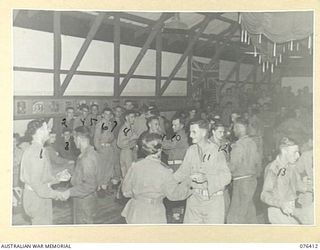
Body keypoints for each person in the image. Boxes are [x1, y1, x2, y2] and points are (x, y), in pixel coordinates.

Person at [121, 133, 190, 224]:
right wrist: (190, 184)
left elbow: (125, 192)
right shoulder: (165, 170)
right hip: (154, 213)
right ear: (160, 150)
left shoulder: (136, 165)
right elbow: (174, 195)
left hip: (135, 212)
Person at [174, 119, 231, 224]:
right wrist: (166, 181)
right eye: (190, 132)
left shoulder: (216, 151)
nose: (190, 135)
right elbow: (182, 172)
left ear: (204, 132)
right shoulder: (191, 150)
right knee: (191, 236)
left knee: (212, 237)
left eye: (194, 132)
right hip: (194, 199)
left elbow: (227, 176)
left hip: (213, 201)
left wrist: (207, 178)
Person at [20, 119, 69, 225]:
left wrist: (57, 178)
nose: (49, 131)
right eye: (47, 128)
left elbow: (40, 179)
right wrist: (58, 194)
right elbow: (37, 185)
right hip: (38, 199)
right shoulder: (37, 152)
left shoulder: (36, 149)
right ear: (39, 131)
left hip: (38, 196)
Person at [261, 137, 309, 224]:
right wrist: (281, 204)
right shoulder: (273, 168)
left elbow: (298, 185)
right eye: (295, 152)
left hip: (291, 208)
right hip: (278, 210)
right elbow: (264, 195)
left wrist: (311, 187)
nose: (298, 156)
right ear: (284, 151)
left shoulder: (291, 166)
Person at [61, 126, 101, 224]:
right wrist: (72, 175)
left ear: (78, 138)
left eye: (74, 138)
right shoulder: (92, 153)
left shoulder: (87, 158)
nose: (74, 141)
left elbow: (89, 185)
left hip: (84, 200)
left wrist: (69, 192)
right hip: (85, 197)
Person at [227, 118, 261, 224]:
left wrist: (223, 163)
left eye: (234, 128)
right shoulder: (252, 143)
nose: (233, 130)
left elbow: (232, 166)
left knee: (236, 214)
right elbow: (257, 161)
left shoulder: (239, 145)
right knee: (249, 211)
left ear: (239, 128)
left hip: (241, 182)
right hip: (251, 180)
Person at [162, 115, 189, 223]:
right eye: (172, 124)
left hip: (178, 166)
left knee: (176, 189)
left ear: (181, 125)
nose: (173, 127)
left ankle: (177, 213)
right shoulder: (176, 135)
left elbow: (171, 145)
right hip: (173, 165)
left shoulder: (180, 135)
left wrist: (159, 142)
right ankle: (177, 212)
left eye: (175, 125)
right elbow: (170, 150)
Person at [94, 108, 116, 191]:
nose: (107, 116)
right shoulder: (101, 124)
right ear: (102, 114)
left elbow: (111, 136)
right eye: (106, 114)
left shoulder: (109, 123)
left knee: (109, 168)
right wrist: (99, 150)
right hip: (103, 149)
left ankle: (104, 187)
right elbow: (96, 138)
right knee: (101, 169)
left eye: (109, 114)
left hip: (109, 148)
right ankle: (99, 188)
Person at [117, 110, 139, 178]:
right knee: (128, 175)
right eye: (132, 117)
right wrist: (131, 138)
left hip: (132, 151)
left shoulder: (131, 127)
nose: (134, 119)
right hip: (126, 152)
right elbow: (119, 143)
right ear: (126, 118)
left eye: (134, 117)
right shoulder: (125, 129)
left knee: (132, 173)